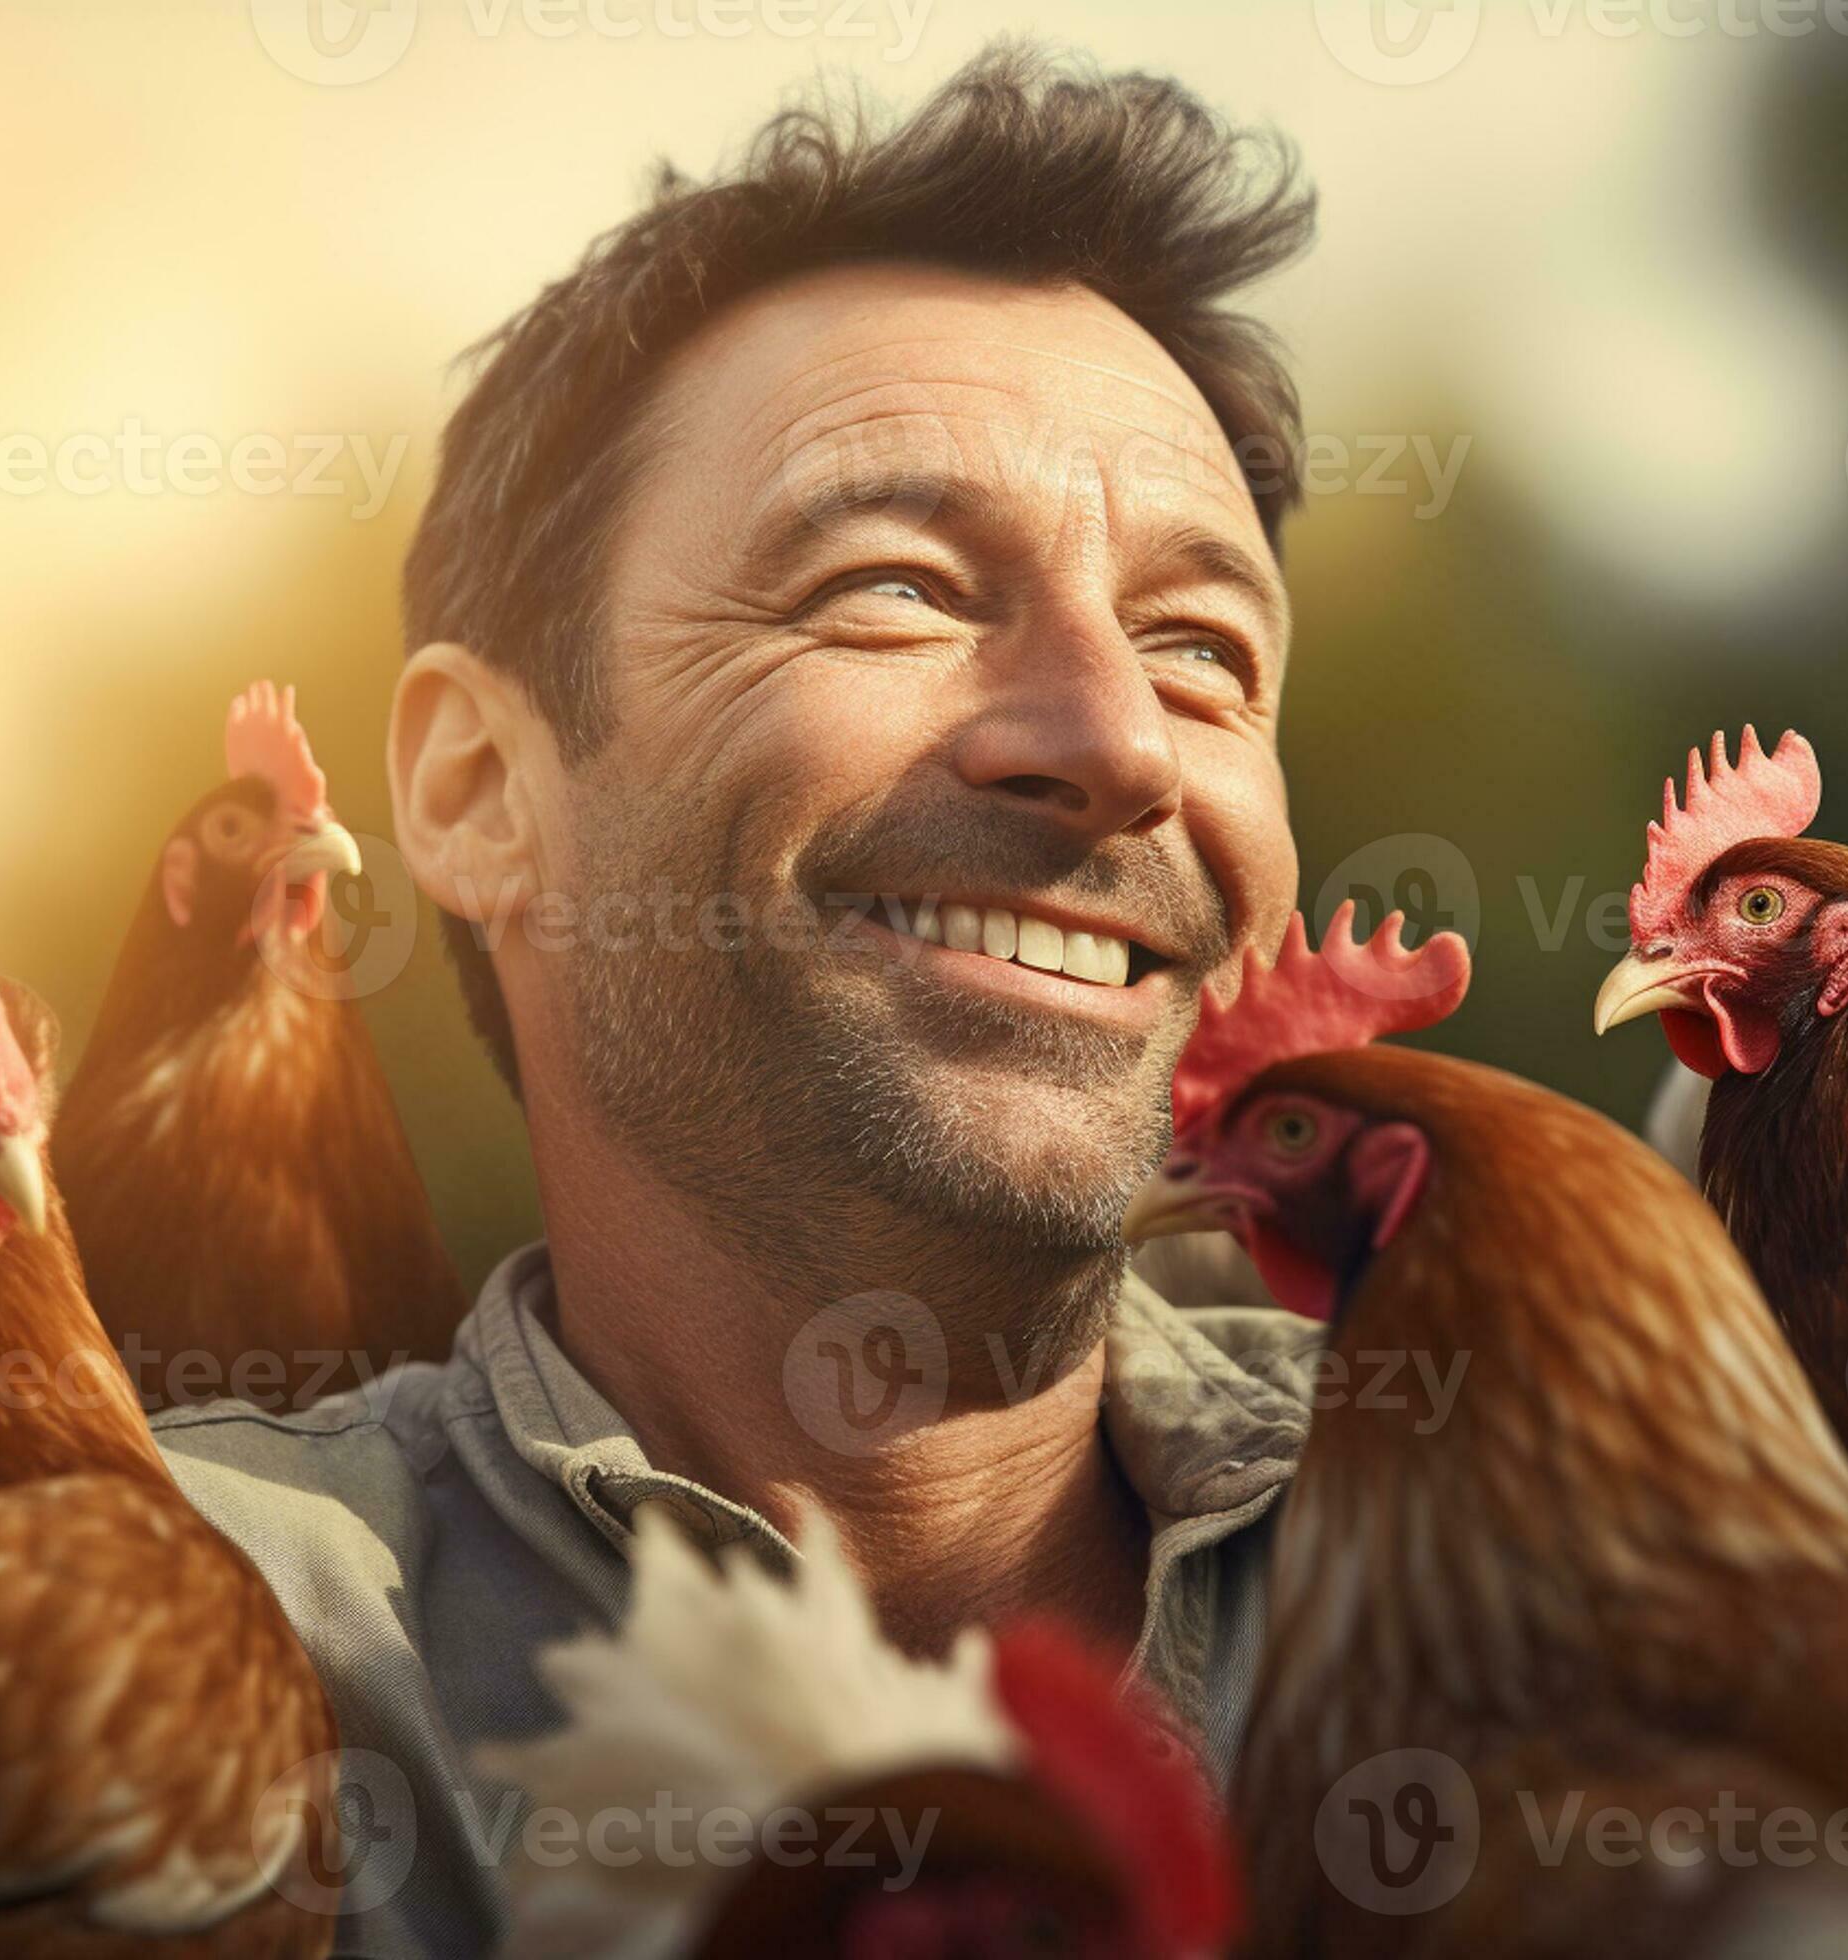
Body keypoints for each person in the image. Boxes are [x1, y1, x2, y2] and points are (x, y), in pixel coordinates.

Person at [158, 45, 1322, 1954]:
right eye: (896, 587)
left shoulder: (1649, 1575)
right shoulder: (182, 1641)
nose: (1118, 739)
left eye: (1203, 651)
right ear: (473, 794)